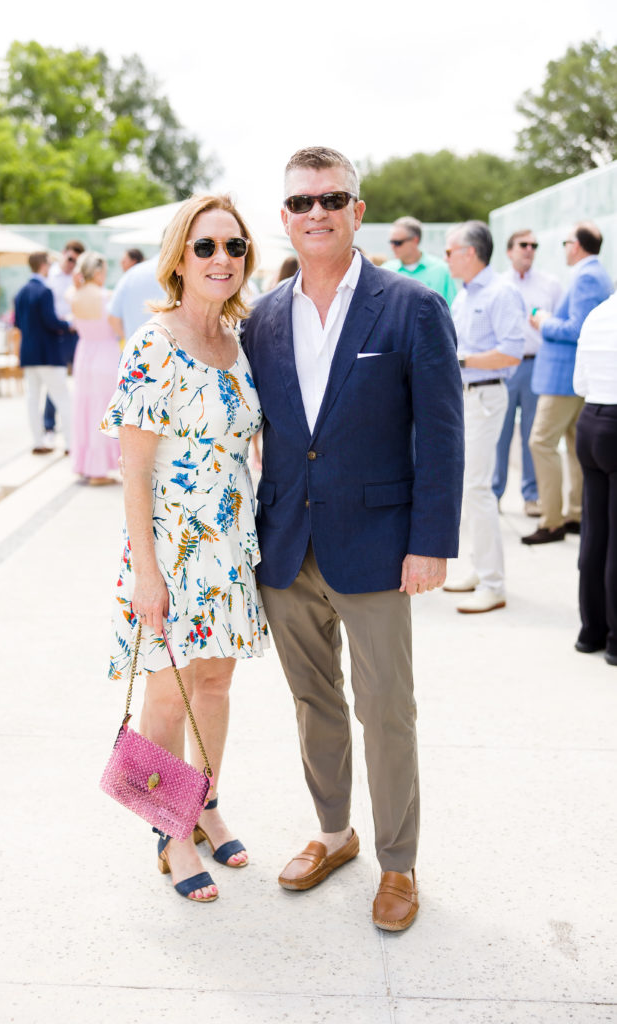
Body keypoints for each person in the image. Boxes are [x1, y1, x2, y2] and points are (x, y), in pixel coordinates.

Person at [242, 147, 464, 932]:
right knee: (312, 702)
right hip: (286, 543)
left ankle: (398, 865)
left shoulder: (409, 306)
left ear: (356, 211)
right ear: (284, 217)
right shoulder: (262, 315)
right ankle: (334, 834)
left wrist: (430, 539)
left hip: (376, 544)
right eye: (301, 202)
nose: (316, 213)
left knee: (387, 710)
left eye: (331, 198)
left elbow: (440, 431)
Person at [100, 195, 268, 904]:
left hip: (229, 545)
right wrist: (146, 570)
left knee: (216, 686)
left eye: (233, 247)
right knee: (167, 694)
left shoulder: (241, 340)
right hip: (170, 546)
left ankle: (204, 802)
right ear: (179, 256)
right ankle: (169, 832)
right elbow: (132, 468)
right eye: (205, 247)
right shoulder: (152, 342)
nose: (220, 259)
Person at [444, 221, 524, 613]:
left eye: (449, 251)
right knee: (469, 489)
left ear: (469, 253)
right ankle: (480, 570)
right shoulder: (464, 295)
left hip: (486, 395)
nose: (446, 259)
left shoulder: (501, 293)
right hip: (466, 397)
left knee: (477, 488)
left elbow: (512, 351)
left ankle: (494, 583)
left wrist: (460, 359)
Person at [523, 222, 613, 544]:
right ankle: (575, 514)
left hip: (564, 378)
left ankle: (552, 521)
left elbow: (577, 330)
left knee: (540, 443)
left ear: (575, 246)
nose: (564, 248)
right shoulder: (595, 274)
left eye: (565, 242)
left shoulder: (587, 276)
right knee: (574, 448)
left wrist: (544, 321)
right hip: (573, 378)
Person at [493, 230, 562, 516]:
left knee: (533, 434)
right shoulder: (497, 284)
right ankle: (494, 492)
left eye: (534, 246)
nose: (529, 250)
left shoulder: (551, 285)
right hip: (505, 367)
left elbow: (557, 325)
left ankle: (531, 496)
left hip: (537, 364)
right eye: (524, 245)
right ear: (509, 251)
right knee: (500, 432)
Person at [572, 293, 617, 667]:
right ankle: (616, 640)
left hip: (590, 422)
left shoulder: (597, 314)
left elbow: (579, 382)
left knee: (595, 532)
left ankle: (591, 631)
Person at [69, 252, 121, 485]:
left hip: (84, 356)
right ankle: (99, 470)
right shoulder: (106, 297)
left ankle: (86, 465)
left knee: (85, 409)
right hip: (105, 355)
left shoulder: (73, 296)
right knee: (104, 410)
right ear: (98, 273)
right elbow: (118, 328)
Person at [14, 252, 72, 455]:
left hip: (29, 354)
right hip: (48, 354)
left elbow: (17, 323)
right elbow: (51, 321)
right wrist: (68, 324)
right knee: (62, 397)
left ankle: (38, 441)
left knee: (32, 398)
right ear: (43, 266)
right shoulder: (45, 291)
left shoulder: (20, 292)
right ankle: (70, 444)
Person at [44, 240, 84, 438]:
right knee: (55, 380)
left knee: (80, 379)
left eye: (75, 261)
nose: (71, 263)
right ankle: (49, 424)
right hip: (56, 332)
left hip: (76, 333)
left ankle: (76, 423)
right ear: (63, 253)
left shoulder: (79, 279)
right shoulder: (50, 275)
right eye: (69, 258)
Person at [382, 216, 457, 306]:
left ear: (415, 240)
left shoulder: (442, 270)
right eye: (391, 242)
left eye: (398, 243)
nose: (392, 247)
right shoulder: (385, 270)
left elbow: (452, 308)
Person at [107, 256, 165, 341]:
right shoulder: (180, 271)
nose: (121, 264)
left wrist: (131, 340)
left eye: (124, 261)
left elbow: (112, 317)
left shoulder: (131, 275)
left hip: (136, 348)